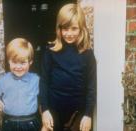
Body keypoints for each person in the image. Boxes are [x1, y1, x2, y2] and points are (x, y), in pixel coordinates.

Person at [39, 3, 96, 131]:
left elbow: (91, 87)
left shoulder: (87, 54)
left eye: (74, 28)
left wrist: (88, 114)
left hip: (78, 111)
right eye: (65, 29)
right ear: (59, 29)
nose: (69, 34)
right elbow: (44, 82)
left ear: (82, 28)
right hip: (54, 109)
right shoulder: (50, 51)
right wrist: (45, 110)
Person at [0, 38, 41, 131]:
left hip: (30, 122)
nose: (18, 67)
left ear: (30, 62)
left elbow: (43, 101)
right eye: (14, 62)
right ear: (9, 61)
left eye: (22, 63)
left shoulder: (36, 80)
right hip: (9, 122)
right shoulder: (2, 80)